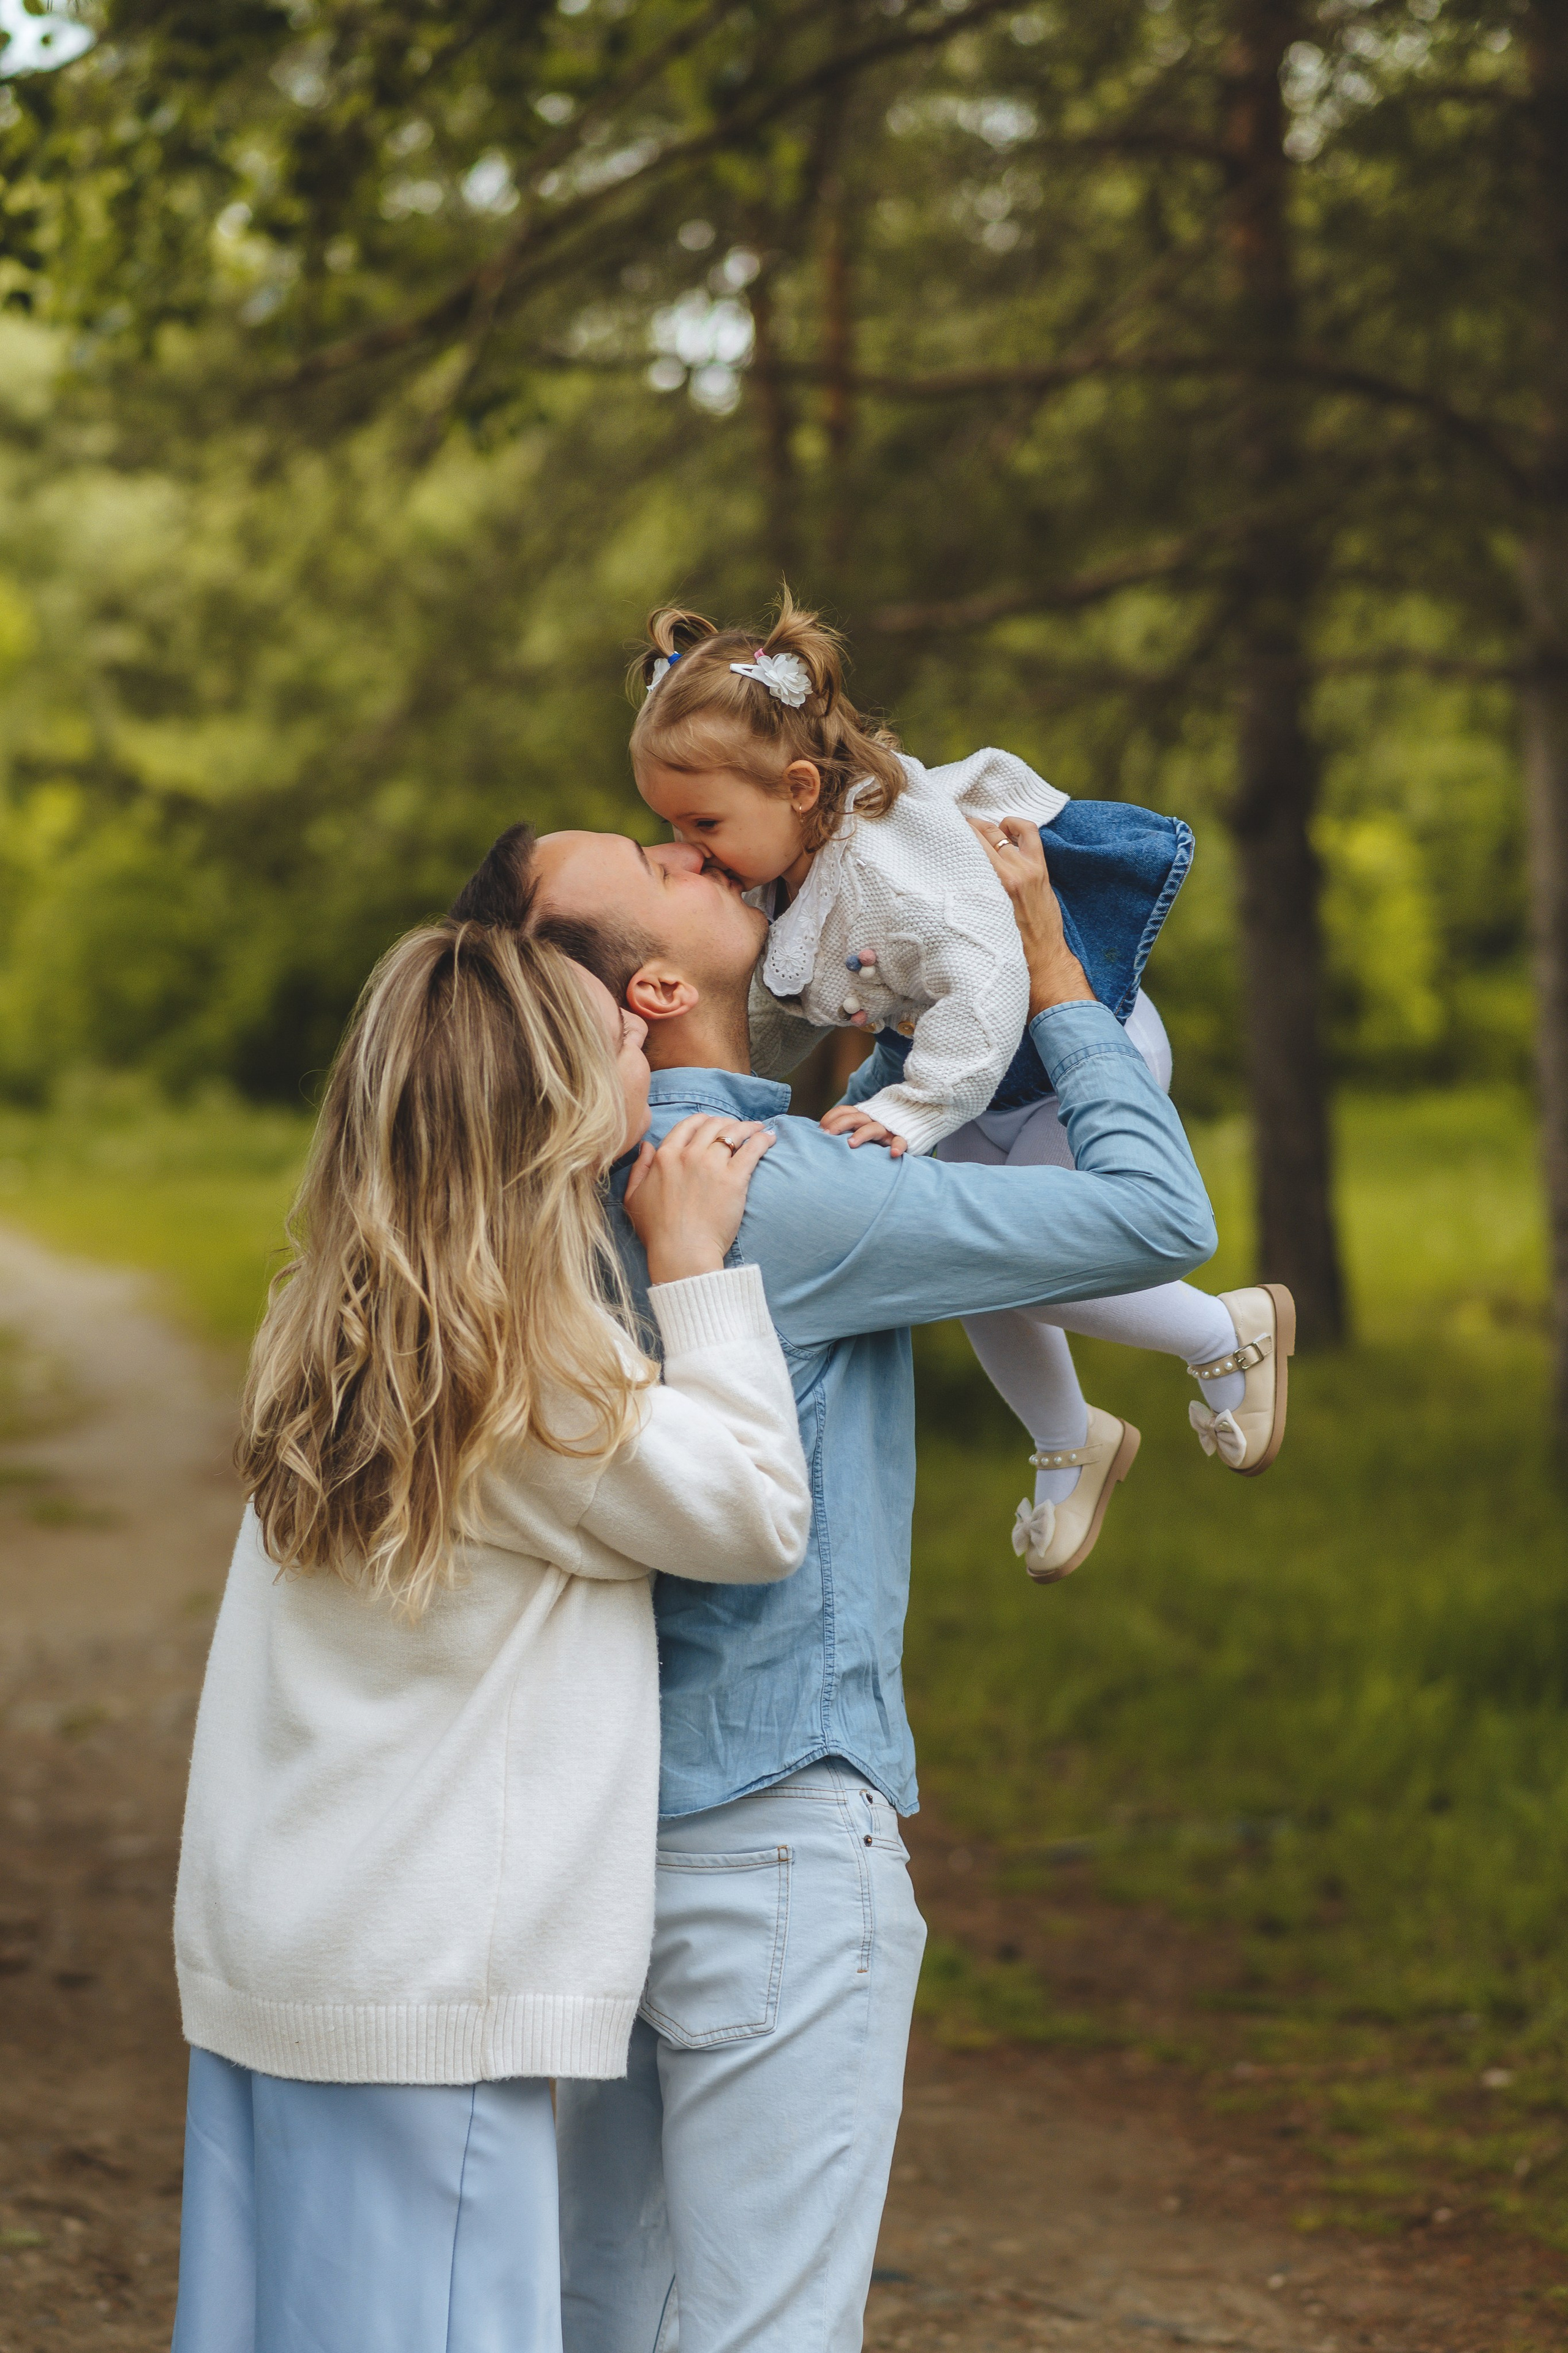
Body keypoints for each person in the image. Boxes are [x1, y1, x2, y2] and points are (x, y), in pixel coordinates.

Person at [446, 811, 1218, 2353]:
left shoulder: (526, 1201)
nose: (696, 848)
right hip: (779, 1842)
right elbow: (1158, 1218)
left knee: (605, 2310)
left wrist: (885, 1081)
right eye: (660, 866)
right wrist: (1051, 968)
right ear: (650, 994)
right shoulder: (775, 1190)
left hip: (597, 1842)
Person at [168, 919, 813, 2353]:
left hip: (287, 1954)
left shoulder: (338, 1326)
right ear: (555, 1114)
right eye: (618, 1038)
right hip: (424, 1990)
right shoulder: (521, 1373)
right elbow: (755, 1508)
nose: (650, 1036)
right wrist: (696, 1269)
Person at [627, 596, 1292, 1581]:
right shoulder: (782, 875)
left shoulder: (893, 858)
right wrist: (690, 1078)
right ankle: (1071, 1436)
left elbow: (988, 981)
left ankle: (1226, 1331)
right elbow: (774, 1019)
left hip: (1067, 1047)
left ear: (801, 786)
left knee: (1033, 1247)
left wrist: (911, 1107)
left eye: (703, 821)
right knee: (962, 1252)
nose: (692, 847)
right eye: (671, 826)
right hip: (974, 1078)